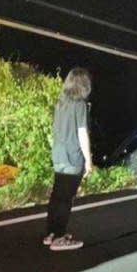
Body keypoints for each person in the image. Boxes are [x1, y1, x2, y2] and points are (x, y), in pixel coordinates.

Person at [43, 68, 93, 251]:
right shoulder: (79, 104)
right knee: (65, 199)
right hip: (72, 156)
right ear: (84, 84)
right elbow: (82, 133)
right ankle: (60, 238)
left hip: (58, 154)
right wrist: (88, 160)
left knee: (56, 196)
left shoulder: (60, 103)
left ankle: (51, 234)